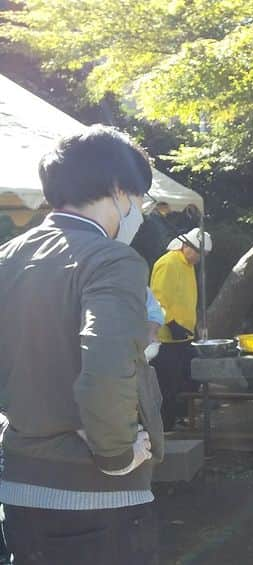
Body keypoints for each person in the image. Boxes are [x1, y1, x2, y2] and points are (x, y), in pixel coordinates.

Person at [0, 125, 164, 564]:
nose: (139, 208)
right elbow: (106, 367)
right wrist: (115, 453)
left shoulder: (8, 256)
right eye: (138, 196)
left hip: (18, 489)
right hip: (94, 498)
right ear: (116, 188)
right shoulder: (110, 259)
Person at [150, 228, 212, 431]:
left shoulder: (188, 265)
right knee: (167, 385)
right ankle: (164, 427)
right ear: (186, 246)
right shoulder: (168, 263)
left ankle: (180, 417)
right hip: (165, 338)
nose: (200, 258)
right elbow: (158, 299)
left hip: (184, 335)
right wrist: (171, 324)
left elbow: (186, 299)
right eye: (199, 253)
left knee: (190, 377)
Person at [131, 200, 175, 268]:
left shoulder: (150, 220)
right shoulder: (155, 223)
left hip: (144, 256)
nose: (169, 212)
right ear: (161, 209)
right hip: (151, 257)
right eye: (167, 210)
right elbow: (159, 242)